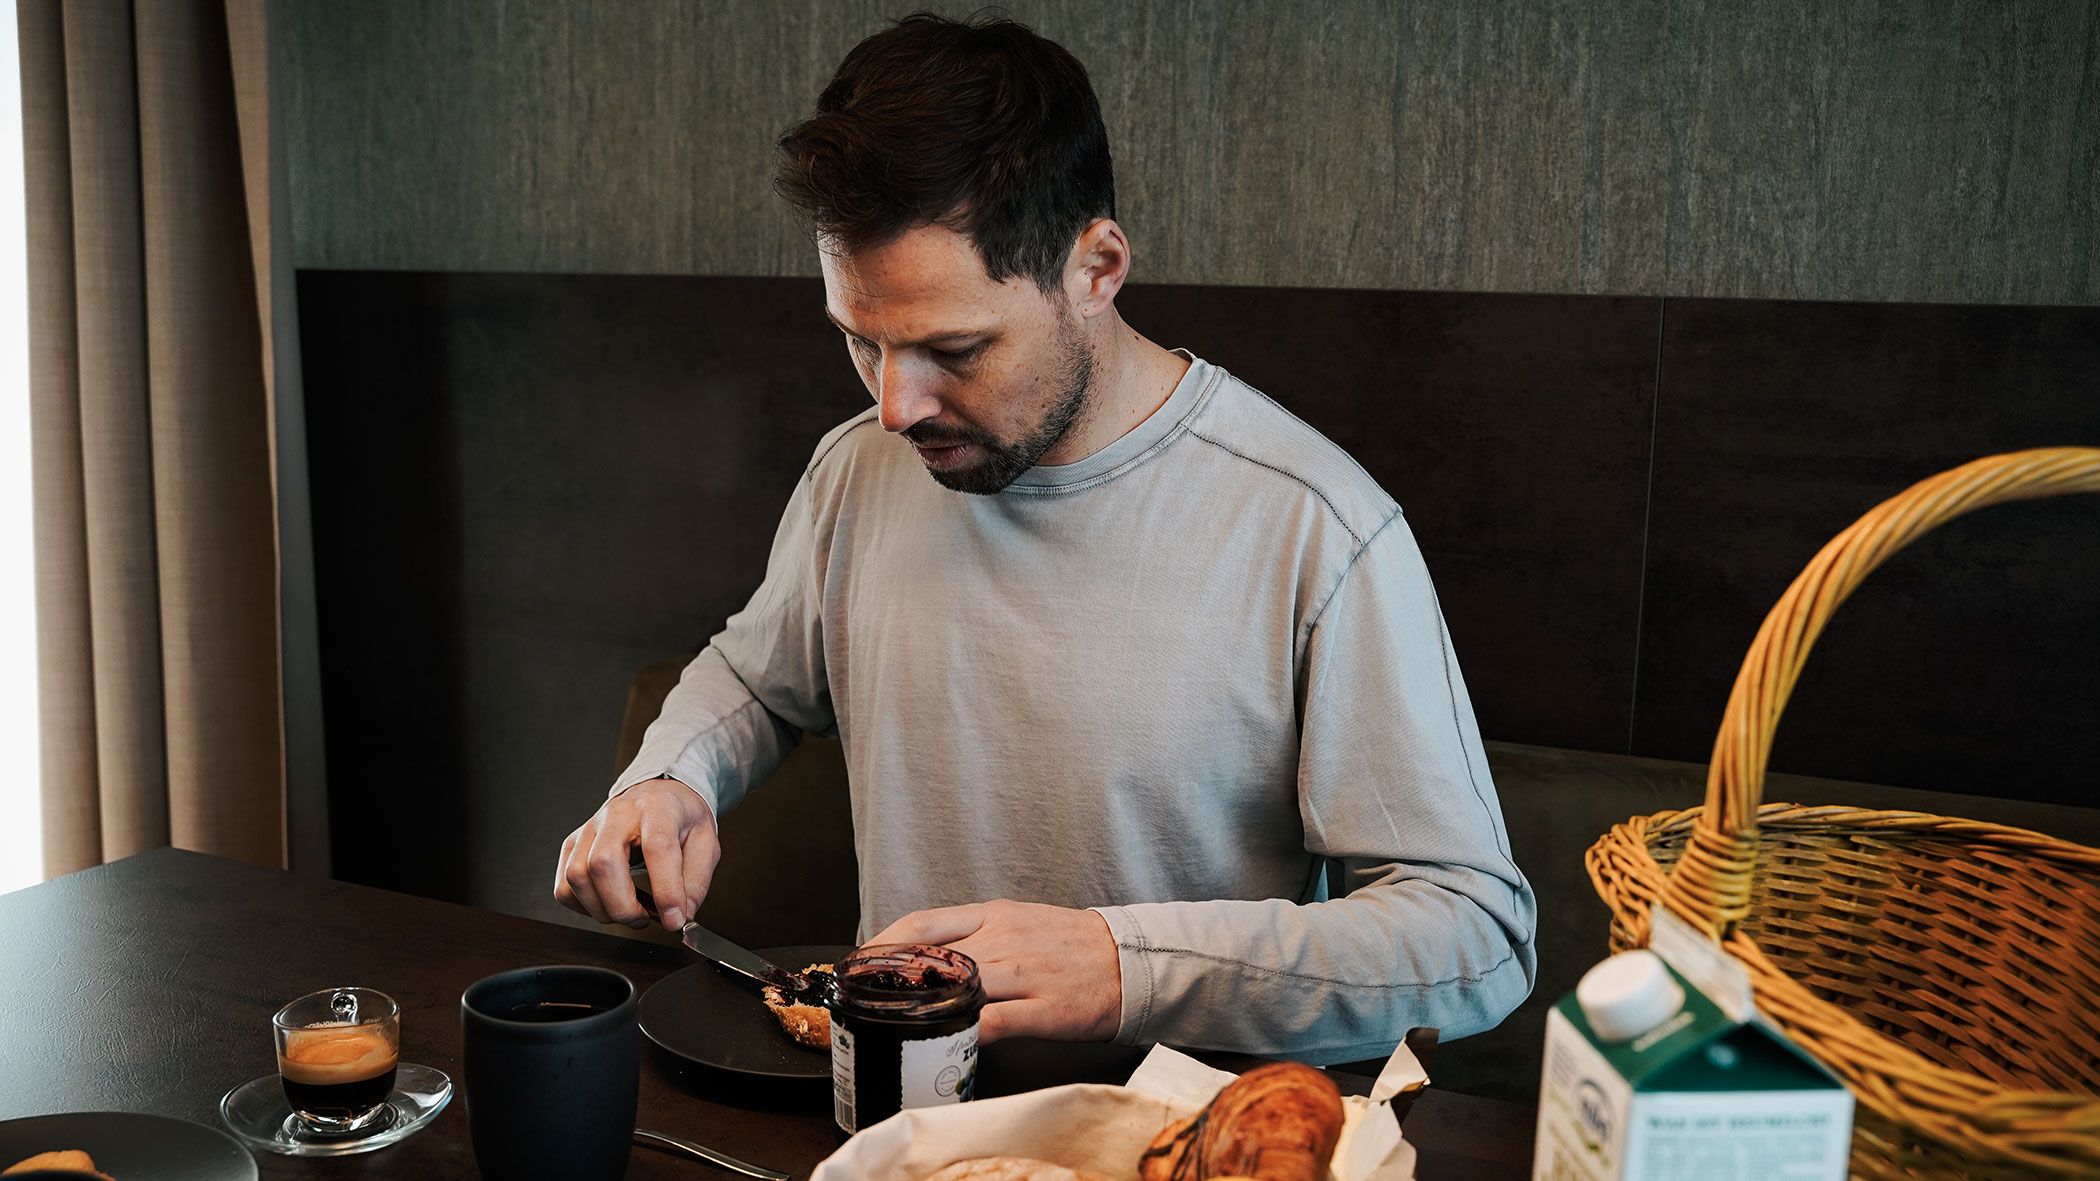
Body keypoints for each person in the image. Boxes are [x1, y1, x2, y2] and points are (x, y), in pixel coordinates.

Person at [555, 11, 1535, 1064]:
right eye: (861, 341)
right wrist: (672, 775)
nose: (895, 405)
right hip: (895, 1124)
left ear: (1097, 268)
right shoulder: (858, 468)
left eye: (953, 347)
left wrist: (1126, 968)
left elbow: (1476, 937)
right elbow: (756, 679)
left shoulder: (1316, 524)